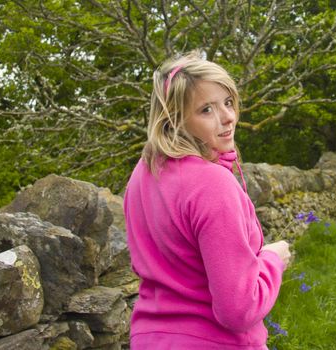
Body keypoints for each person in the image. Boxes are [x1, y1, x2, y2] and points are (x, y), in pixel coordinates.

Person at [123, 51, 292, 350]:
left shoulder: (143, 173)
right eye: (206, 110)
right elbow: (238, 310)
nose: (227, 117)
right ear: (174, 120)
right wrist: (272, 260)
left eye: (228, 102)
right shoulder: (212, 183)